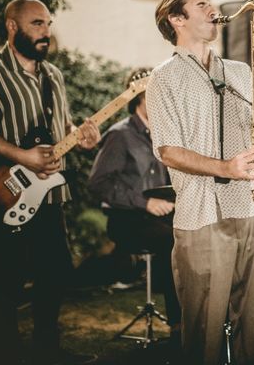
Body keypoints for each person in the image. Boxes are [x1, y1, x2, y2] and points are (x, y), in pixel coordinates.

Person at [146, 0, 254, 365]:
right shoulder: (163, 78)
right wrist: (226, 168)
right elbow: (169, 151)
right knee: (203, 326)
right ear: (177, 19)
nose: (212, 8)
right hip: (201, 212)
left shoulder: (242, 71)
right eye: (201, 4)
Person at [0, 0, 101, 365]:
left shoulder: (54, 76)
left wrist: (79, 137)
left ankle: (46, 351)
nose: (46, 32)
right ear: (12, 26)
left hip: (50, 197)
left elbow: (62, 126)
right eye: (37, 24)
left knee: (54, 276)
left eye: (48, 24)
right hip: (8, 194)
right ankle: (3, 353)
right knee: (5, 282)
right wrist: (20, 156)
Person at [87, 67, 181, 341]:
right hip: (125, 220)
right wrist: (145, 202)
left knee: (193, 234)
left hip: (160, 218)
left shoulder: (164, 134)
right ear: (140, 96)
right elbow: (98, 184)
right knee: (174, 241)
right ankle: (180, 327)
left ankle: (207, 320)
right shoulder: (120, 135)